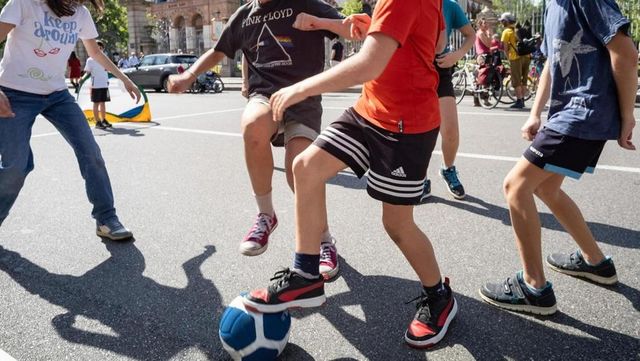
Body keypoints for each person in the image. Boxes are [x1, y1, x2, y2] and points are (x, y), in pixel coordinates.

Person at [242, 0, 457, 348]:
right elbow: (429, 42)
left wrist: (301, 87)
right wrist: (368, 26)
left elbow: (369, 64)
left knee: (397, 225)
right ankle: (306, 274)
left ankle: (439, 296)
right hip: (369, 111)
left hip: (406, 125)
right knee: (305, 167)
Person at [168, 0, 359, 279]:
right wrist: (189, 76)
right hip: (265, 96)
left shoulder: (304, 4)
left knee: (300, 171)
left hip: (302, 97)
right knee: (252, 124)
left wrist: (320, 23)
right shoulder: (244, 15)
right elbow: (218, 50)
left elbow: (349, 28)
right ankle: (266, 215)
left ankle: (324, 240)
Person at [480, 0, 637, 315]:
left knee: (515, 187)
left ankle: (533, 287)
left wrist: (626, 117)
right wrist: (536, 113)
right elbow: (553, 61)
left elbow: (626, 52)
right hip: (567, 115)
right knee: (546, 188)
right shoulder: (552, 6)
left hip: (583, 113)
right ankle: (596, 263)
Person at [0, 0, 141, 240]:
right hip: (15, 93)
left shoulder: (80, 13)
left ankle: (106, 219)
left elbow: (95, 51)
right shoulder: (23, 4)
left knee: (91, 153)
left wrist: (124, 78)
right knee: (16, 167)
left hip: (57, 95)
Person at [421, 0, 475, 201]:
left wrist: (457, 55)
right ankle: (420, 178)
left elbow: (471, 35)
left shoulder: (450, 6)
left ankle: (448, 169)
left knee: (450, 130)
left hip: (441, 68)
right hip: (416, 68)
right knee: (420, 131)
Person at [500, 12, 530, 109]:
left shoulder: (506, 32)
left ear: (505, 21)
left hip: (515, 57)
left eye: (502, 21)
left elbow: (505, 48)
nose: (501, 23)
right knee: (524, 79)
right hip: (527, 56)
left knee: (516, 80)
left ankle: (519, 101)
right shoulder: (520, 29)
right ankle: (522, 100)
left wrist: (508, 59)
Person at [84, 40, 112, 129]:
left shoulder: (105, 58)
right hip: (95, 85)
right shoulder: (90, 60)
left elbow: (107, 70)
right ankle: (97, 122)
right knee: (96, 103)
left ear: (103, 48)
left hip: (104, 84)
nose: (99, 49)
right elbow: (87, 72)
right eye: (97, 47)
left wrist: (107, 80)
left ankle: (103, 119)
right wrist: (82, 79)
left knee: (103, 103)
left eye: (101, 47)